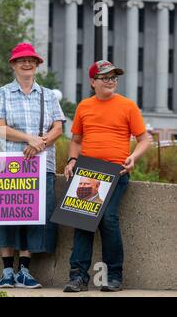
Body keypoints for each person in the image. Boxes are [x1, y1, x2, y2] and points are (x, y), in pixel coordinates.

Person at [63, 60, 150, 292]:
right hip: (89, 172)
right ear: (93, 82)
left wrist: (133, 157)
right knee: (82, 224)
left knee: (108, 219)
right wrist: (71, 160)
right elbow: (76, 140)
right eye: (105, 77)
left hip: (116, 172)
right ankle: (78, 277)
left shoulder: (128, 106)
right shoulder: (84, 106)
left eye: (113, 77)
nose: (111, 81)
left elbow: (145, 139)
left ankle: (114, 276)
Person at [0, 42, 66, 289]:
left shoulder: (48, 95)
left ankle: (25, 272)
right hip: (9, 164)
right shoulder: (2, 93)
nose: (27, 64)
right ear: (13, 65)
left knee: (33, 217)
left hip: (40, 165)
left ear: (37, 65)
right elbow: (0, 128)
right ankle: (7, 270)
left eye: (32, 60)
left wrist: (39, 143)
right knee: (7, 215)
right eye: (22, 60)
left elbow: (58, 128)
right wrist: (28, 138)